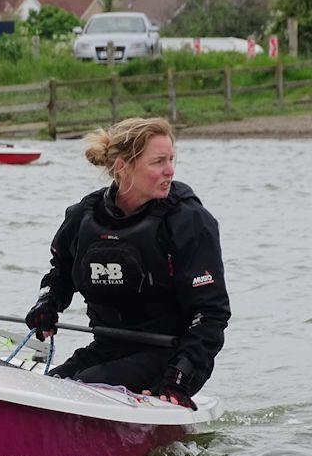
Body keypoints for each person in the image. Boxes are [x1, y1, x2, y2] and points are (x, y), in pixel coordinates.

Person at [24, 117, 230, 410]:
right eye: (158, 161)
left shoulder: (189, 220)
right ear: (123, 167)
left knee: (83, 384)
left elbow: (211, 313)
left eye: (172, 159)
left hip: (169, 356)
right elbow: (60, 273)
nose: (170, 170)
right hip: (106, 348)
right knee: (49, 386)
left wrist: (180, 377)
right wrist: (47, 304)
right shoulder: (84, 216)